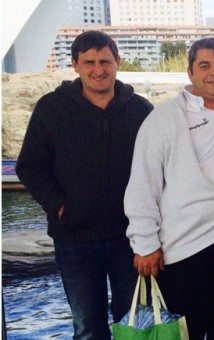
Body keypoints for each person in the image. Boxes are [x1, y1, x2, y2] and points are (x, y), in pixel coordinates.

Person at [15, 30, 152, 339]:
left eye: (105, 61)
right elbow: (30, 166)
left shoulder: (141, 110)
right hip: (75, 238)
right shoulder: (51, 108)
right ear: (75, 64)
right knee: (87, 327)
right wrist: (61, 206)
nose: (98, 69)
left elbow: (158, 170)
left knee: (135, 325)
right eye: (89, 62)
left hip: (131, 238)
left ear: (117, 62)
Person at [124, 37, 214, 339]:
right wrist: (145, 243)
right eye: (205, 65)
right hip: (184, 250)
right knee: (188, 332)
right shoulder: (164, 118)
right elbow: (143, 183)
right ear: (190, 72)